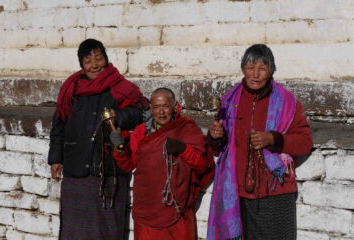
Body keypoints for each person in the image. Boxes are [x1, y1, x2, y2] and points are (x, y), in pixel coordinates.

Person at [207, 44, 313, 240]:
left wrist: (273, 139)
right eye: (250, 67)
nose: (255, 74)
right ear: (243, 70)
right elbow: (218, 149)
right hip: (236, 194)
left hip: (275, 193)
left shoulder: (287, 102)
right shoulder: (229, 101)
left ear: (271, 71)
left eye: (262, 68)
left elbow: (305, 142)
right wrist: (215, 136)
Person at [48, 38, 148, 240]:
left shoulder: (122, 87)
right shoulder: (71, 90)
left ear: (106, 59)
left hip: (107, 166)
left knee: (106, 226)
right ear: (82, 65)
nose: (94, 65)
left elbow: (140, 113)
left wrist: (117, 117)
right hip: (76, 166)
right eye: (88, 61)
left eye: (98, 58)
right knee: (74, 228)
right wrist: (55, 158)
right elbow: (59, 124)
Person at [111, 88, 215, 240]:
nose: (161, 112)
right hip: (147, 205)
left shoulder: (187, 129)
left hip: (175, 207)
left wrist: (182, 148)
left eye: (165, 106)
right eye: (156, 107)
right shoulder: (142, 132)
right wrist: (119, 149)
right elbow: (128, 165)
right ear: (151, 109)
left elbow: (201, 165)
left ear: (175, 106)